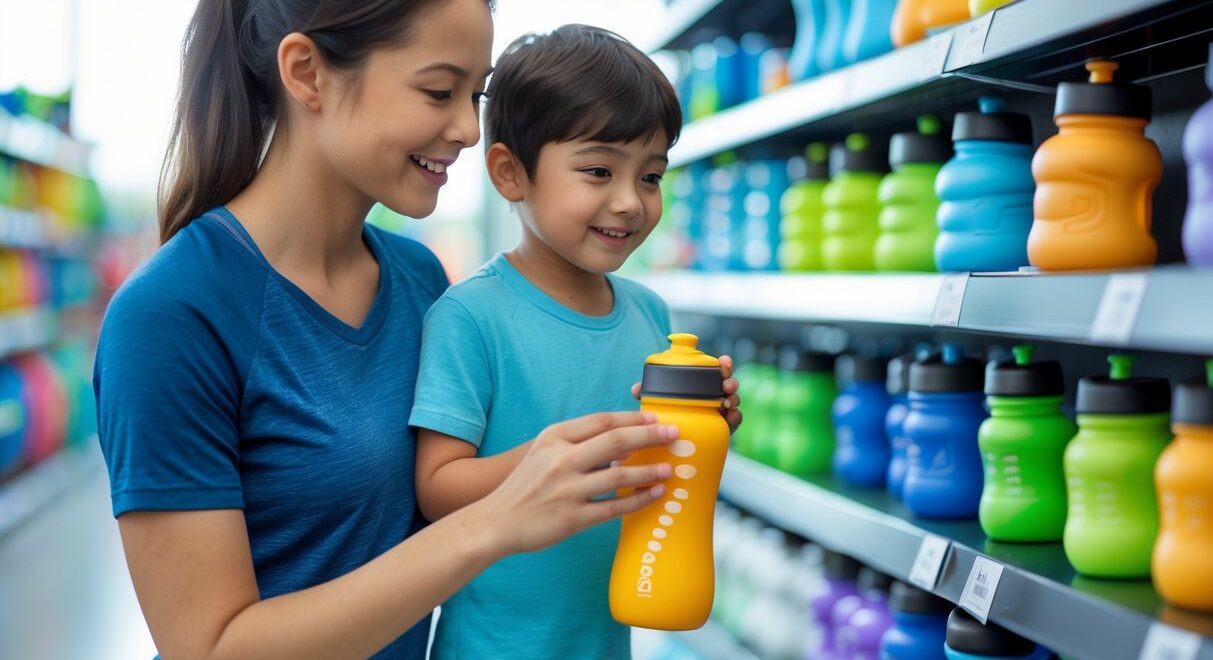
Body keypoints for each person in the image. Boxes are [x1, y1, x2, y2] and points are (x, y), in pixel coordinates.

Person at [93, 2, 698, 658]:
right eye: (439, 91)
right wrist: (494, 524)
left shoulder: (420, 283)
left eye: (476, 94)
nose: (469, 129)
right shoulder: (172, 315)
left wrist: (675, 424)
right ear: (306, 73)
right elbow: (208, 647)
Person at [409, 25, 742, 659]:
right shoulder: (471, 316)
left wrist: (707, 429)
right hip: (492, 646)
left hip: (607, 638)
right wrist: (558, 459)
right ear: (510, 173)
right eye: (597, 170)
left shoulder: (651, 316)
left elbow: (655, 472)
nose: (629, 202)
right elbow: (437, 487)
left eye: (651, 177)